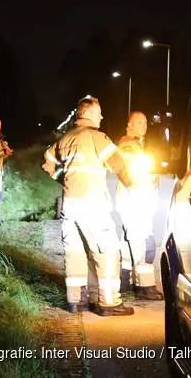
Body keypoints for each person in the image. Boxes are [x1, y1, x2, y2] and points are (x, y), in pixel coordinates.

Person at [42, 96, 135, 316]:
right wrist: (132, 185)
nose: (102, 116)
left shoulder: (64, 139)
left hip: (70, 204)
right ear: (88, 113)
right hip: (92, 204)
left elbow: (46, 163)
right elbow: (118, 164)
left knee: (74, 253)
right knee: (108, 251)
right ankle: (108, 302)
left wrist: (64, 179)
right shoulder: (95, 136)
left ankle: (76, 302)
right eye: (99, 112)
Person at [115, 112, 164, 300]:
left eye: (145, 122)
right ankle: (145, 285)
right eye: (139, 122)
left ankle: (125, 279)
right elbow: (128, 172)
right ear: (130, 124)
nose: (144, 125)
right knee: (143, 240)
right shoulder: (129, 145)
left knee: (132, 238)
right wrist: (138, 189)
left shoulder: (135, 144)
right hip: (135, 197)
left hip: (134, 196)